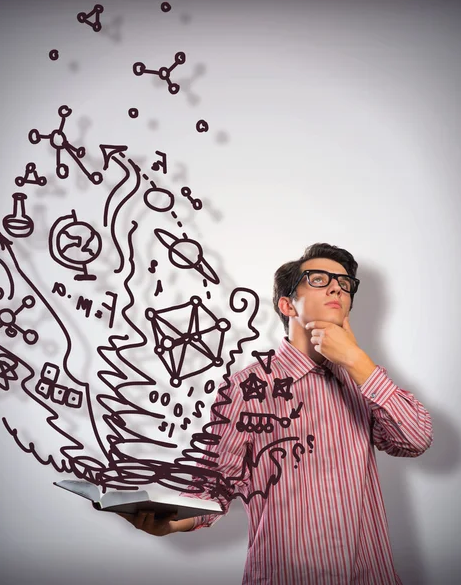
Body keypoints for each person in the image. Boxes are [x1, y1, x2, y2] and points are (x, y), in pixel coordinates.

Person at [119, 243, 433, 584]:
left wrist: (357, 361)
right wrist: (173, 520)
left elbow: (415, 439)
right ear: (287, 305)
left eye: (345, 284)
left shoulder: (364, 378)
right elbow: (213, 486)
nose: (336, 288)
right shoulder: (246, 389)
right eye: (318, 279)